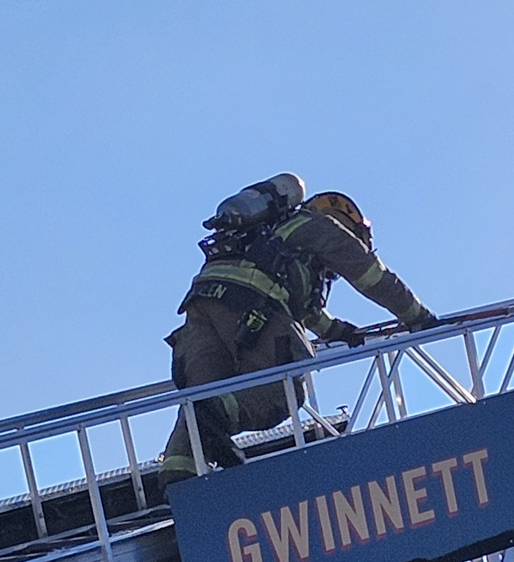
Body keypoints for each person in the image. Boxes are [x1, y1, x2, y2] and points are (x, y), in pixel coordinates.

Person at [159, 177, 440, 486]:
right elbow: (372, 277)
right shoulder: (319, 227)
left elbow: (305, 310)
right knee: (283, 390)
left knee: (200, 397)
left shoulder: (267, 236)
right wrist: (419, 317)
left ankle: (177, 480)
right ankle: (217, 416)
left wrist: (339, 331)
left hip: (200, 306)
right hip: (251, 307)